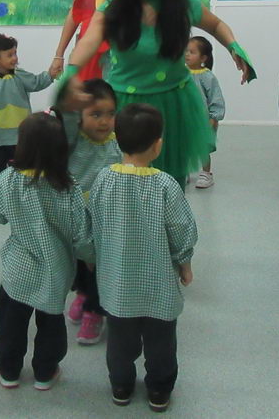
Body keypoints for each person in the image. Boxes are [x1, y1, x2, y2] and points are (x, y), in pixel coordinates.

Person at [65, 0, 254, 187]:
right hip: (126, 103)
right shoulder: (113, 3)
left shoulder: (178, 2)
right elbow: (90, 39)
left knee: (170, 178)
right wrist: (72, 70)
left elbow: (216, 24)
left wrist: (234, 47)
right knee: (126, 177)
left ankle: (168, 220)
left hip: (173, 101)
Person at [90, 103, 197, 412]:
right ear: (158, 144)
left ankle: (121, 385)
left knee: (119, 343)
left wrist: (93, 255)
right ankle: (159, 390)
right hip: (158, 285)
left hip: (117, 283)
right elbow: (181, 229)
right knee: (161, 343)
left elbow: (91, 222)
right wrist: (185, 263)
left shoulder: (102, 180)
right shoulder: (165, 185)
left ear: (116, 139)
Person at [0, 113, 90, 391]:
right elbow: (80, 231)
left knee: (10, 323)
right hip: (56, 268)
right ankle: (45, 371)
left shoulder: (8, 179)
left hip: (19, 267)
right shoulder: (68, 186)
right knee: (51, 323)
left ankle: (8, 370)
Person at [56, 78, 121, 345]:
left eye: (110, 114)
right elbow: (63, 114)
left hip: (106, 222)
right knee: (80, 262)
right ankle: (82, 293)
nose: (104, 122)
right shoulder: (73, 139)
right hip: (76, 218)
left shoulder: (118, 142)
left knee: (101, 266)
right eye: (95, 114)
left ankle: (96, 310)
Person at [0, 34, 56, 181]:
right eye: (9, 55)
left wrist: (50, 75)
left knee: (22, 168)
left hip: (20, 134)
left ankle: (19, 193)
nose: (14, 58)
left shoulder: (20, 75)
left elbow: (36, 82)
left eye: (15, 53)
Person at [186, 35, 225, 189]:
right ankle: (184, 171)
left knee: (202, 147)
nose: (187, 54)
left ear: (203, 57)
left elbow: (216, 98)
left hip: (202, 120)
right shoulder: (180, 74)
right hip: (184, 118)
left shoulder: (207, 77)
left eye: (192, 52)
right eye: (186, 51)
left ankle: (206, 173)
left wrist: (214, 117)